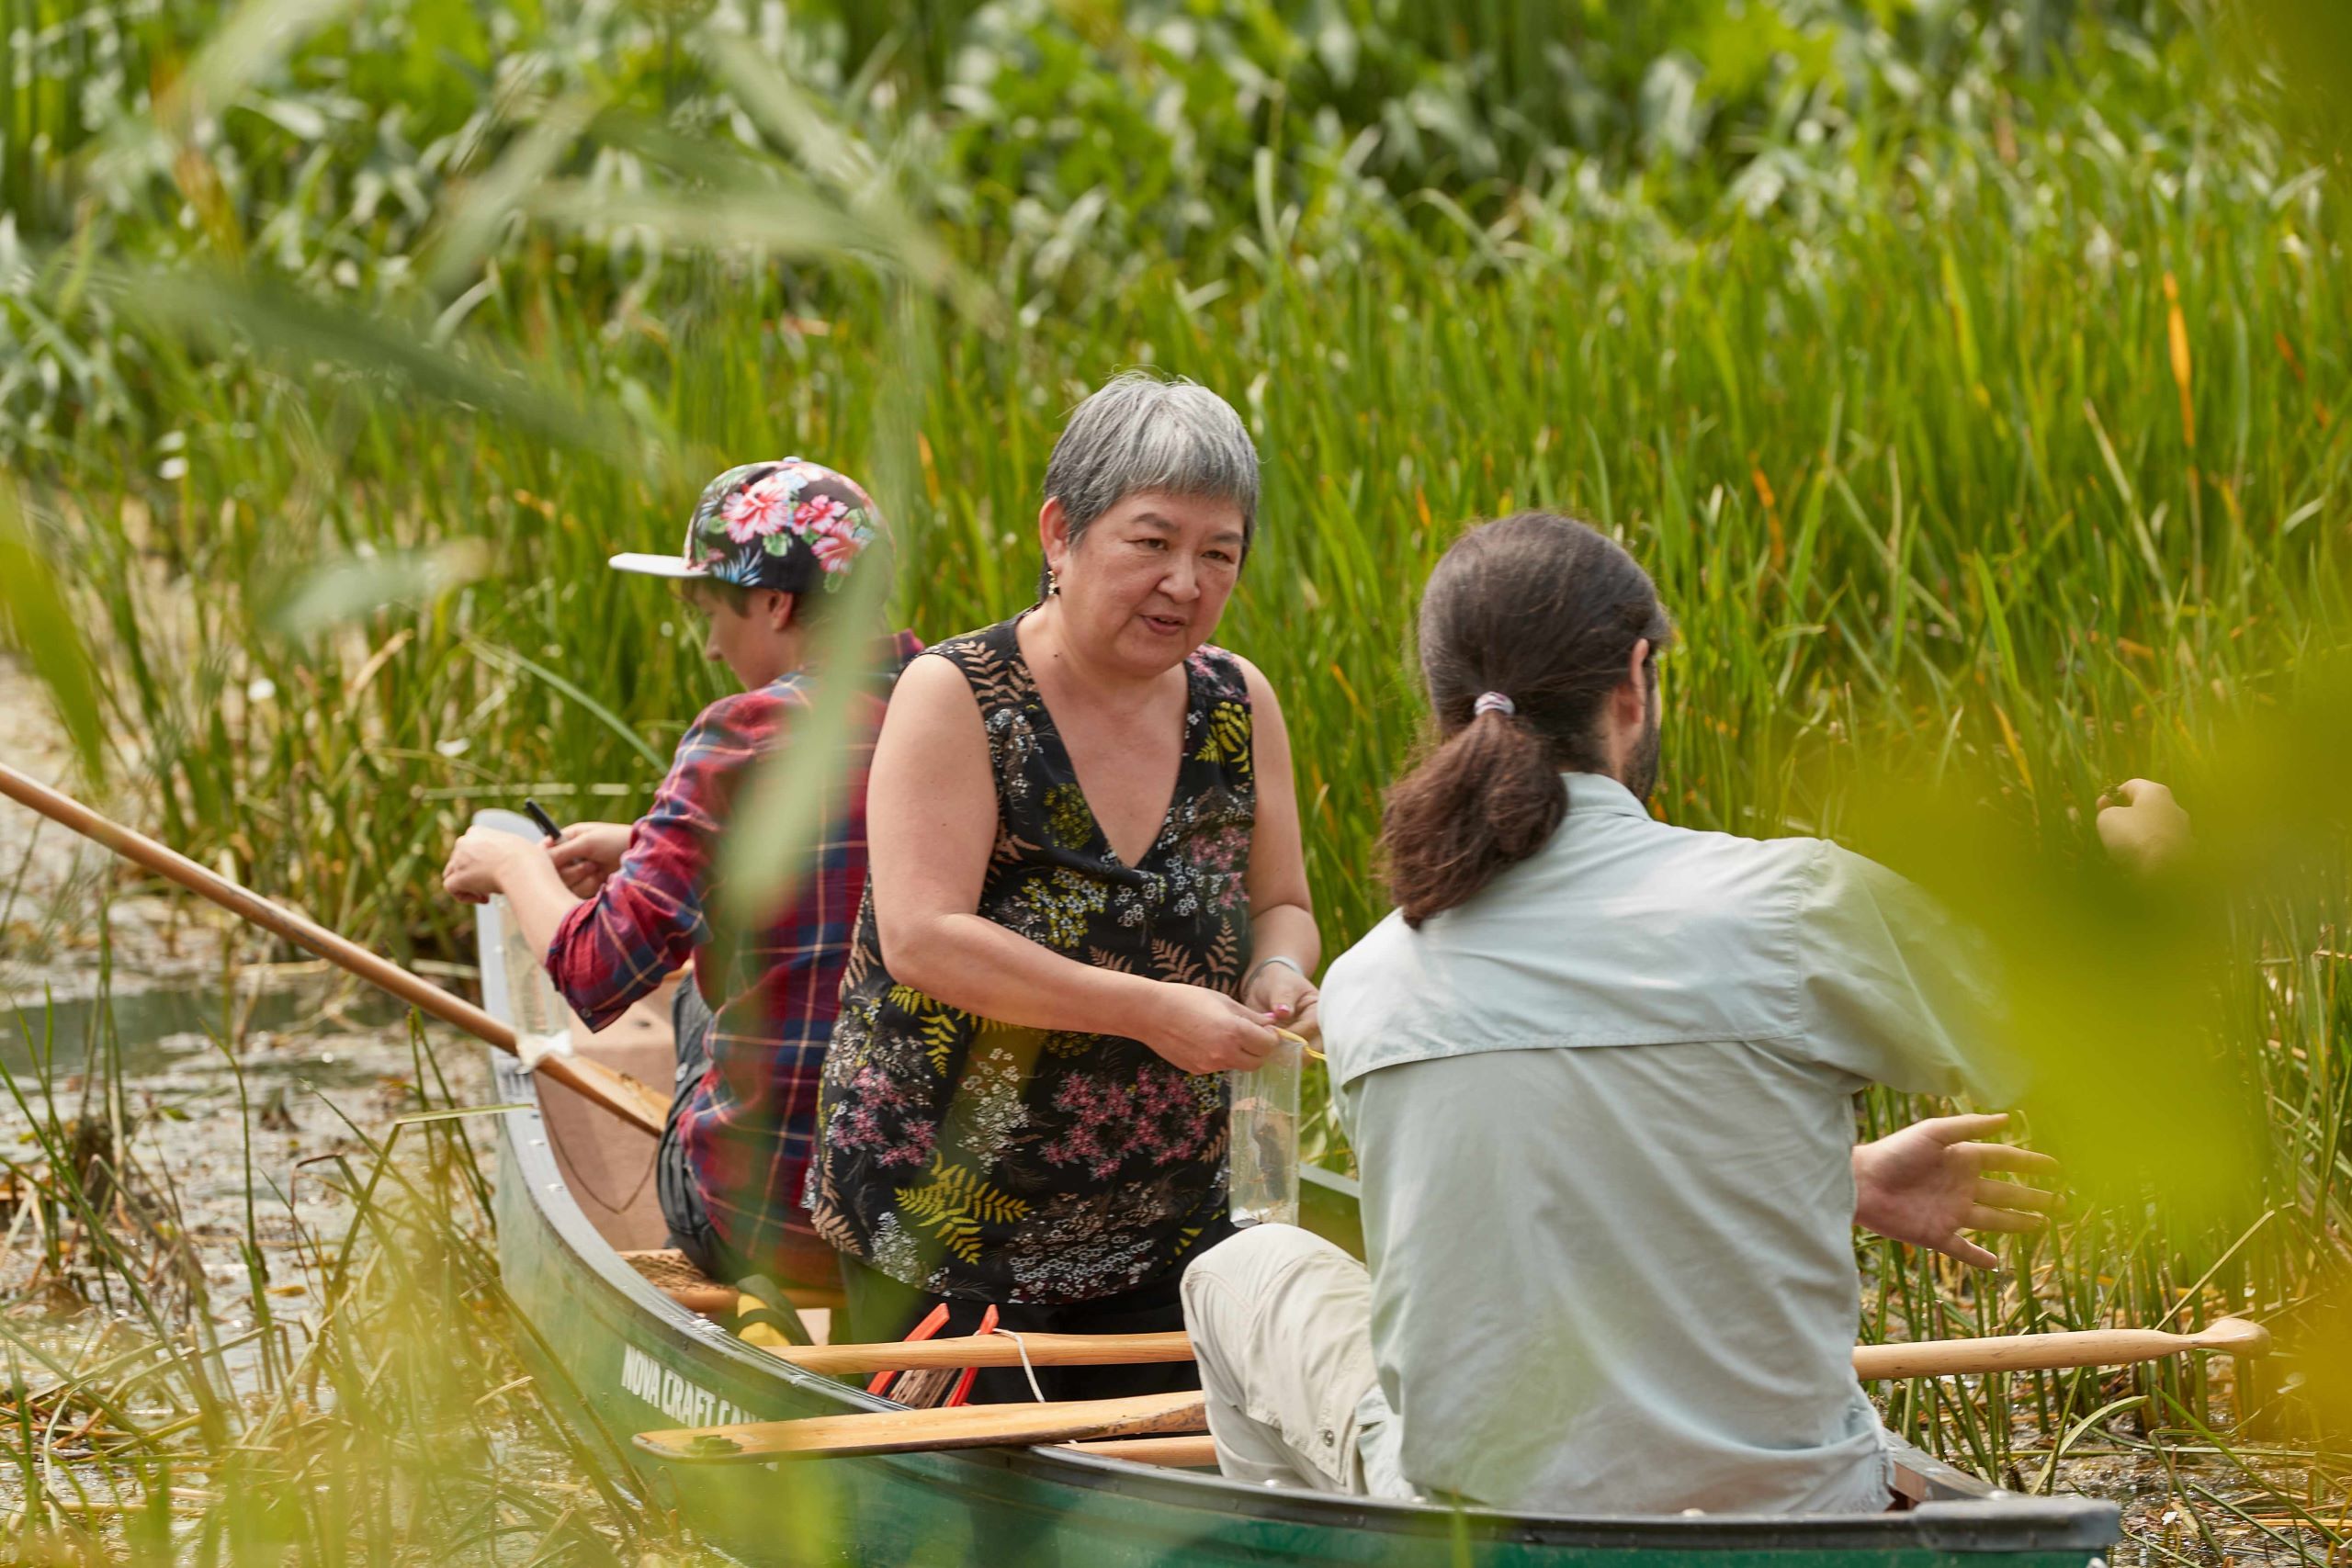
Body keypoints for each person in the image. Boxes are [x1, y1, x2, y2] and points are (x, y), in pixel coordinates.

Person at [1181, 511, 2060, 1515]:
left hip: (1486, 1516)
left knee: (1239, 1267)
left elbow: (1531, 1170)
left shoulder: (1376, 978)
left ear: (1444, 704)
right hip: (1795, 1507)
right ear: (1633, 683)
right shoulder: (1795, 906)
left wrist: (1841, 1178)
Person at [806, 373, 1319, 1402]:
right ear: (1059, 532)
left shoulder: (1237, 702)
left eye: (1219, 553)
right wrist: (1150, 1013)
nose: (1185, 582)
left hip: (1173, 1217)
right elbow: (925, 938)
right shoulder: (956, 694)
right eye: (1151, 542)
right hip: (951, 1219)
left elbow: (1285, 905)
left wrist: (1275, 971)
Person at [441, 458, 920, 1293]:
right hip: (930, 1222)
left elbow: (597, 974)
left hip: (771, 1224)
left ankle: (747, 1307)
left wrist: (515, 863)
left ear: (775, 604)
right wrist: (641, 843)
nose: (707, 642)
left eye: (712, 610)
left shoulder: (747, 729)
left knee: (696, 989)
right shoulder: (956, 706)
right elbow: (867, 850)